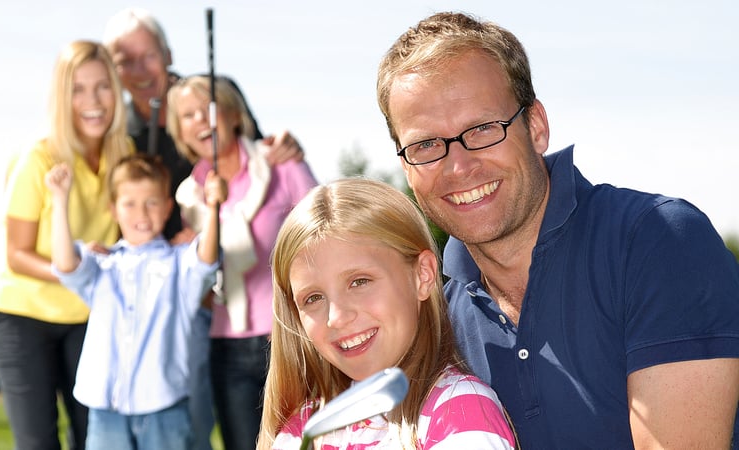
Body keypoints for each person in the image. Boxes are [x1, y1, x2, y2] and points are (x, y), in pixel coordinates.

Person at [376, 11, 739, 449]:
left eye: (483, 129)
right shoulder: (437, 322)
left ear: (536, 126)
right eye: (426, 144)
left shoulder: (658, 241)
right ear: (405, 166)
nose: (459, 166)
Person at [102, 10, 306, 449]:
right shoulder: (130, 141)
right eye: (125, 60)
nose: (199, 122)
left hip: (279, 323)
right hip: (206, 316)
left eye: (148, 56)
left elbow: (299, 206)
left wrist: (288, 152)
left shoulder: (260, 153)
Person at [257, 178, 518, 450]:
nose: (336, 317)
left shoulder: (459, 409)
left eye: (359, 282)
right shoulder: (302, 429)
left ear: (423, 275)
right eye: (313, 298)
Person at [0, 40, 134, 450]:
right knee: (38, 443)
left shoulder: (125, 156)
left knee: (97, 440)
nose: (93, 101)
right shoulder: (39, 158)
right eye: (78, 89)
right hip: (22, 317)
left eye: (103, 86)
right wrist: (74, 267)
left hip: (89, 319)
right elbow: (16, 254)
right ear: (62, 96)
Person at [167, 75, 318, 450]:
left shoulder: (281, 165)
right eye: (188, 115)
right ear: (180, 132)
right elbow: (199, 282)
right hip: (227, 345)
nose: (201, 120)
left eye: (209, 109)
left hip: (290, 336)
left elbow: (326, 236)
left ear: (234, 114)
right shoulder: (189, 198)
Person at [46, 153, 223, 450]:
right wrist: (59, 200)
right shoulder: (102, 264)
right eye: (129, 203)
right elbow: (66, 265)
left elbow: (206, 261)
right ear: (113, 209)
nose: (141, 213)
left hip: (164, 410)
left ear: (168, 208)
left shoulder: (179, 264)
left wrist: (214, 207)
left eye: (151, 202)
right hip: (107, 412)